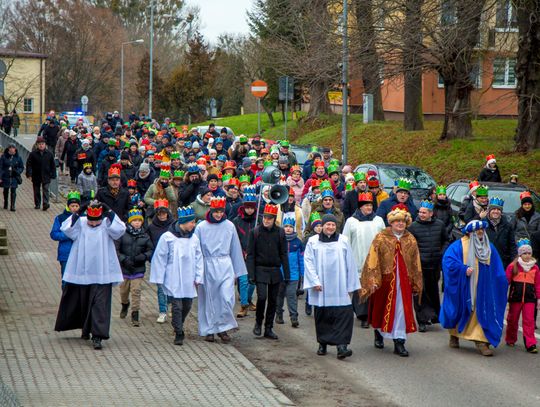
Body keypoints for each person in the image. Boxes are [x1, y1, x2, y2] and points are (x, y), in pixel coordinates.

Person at [54, 201, 126, 350]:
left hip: (102, 272)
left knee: (100, 304)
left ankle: (98, 336)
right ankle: (86, 329)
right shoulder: (81, 222)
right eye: (91, 222)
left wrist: (110, 211)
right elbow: (66, 229)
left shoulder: (107, 223)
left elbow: (120, 230)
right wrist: (78, 212)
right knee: (84, 302)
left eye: (96, 221)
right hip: (83, 271)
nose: (93, 224)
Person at [360, 204, 423, 357]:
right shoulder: (381, 237)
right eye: (397, 221)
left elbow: (416, 262)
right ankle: (379, 333)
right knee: (381, 308)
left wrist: (415, 281)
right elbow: (372, 259)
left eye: (402, 221)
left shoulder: (410, 239)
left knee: (401, 310)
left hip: (404, 283)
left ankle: (399, 341)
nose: (400, 224)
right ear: (391, 222)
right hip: (385, 281)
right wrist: (374, 279)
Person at [440, 220, 508, 356]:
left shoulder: (489, 247)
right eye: (477, 230)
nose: (480, 233)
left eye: (482, 230)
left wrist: (501, 282)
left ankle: (481, 340)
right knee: (460, 309)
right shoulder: (459, 246)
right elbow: (448, 262)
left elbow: (497, 268)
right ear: (470, 232)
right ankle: (454, 334)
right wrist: (462, 269)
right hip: (465, 287)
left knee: (481, 311)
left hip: (484, 288)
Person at [304, 214, 359, 359]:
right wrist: (314, 281)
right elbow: (308, 262)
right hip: (321, 285)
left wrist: (351, 285)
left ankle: (342, 346)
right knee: (323, 315)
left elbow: (350, 263)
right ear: (322, 226)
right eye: (328, 224)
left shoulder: (343, 241)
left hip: (340, 285)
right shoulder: (313, 241)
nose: (330, 227)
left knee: (344, 314)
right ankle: (323, 343)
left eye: (333, 225)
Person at [194, 197, 247, 343]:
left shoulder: (229, 226)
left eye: (221, 211)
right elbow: (197, 250)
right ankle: (210, 329)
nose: (218, 215)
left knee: (226, 297)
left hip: (225, 264)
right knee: (209, 299)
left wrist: (238, 271)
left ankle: (223, 327)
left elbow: (235, 247)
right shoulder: (201, 227)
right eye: (216, 211)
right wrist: (197, 272)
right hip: (208, 264)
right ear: (211, 210)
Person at [150, 206, 203, 345]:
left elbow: (199, 258)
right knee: (177, 306)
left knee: (187, 305)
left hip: (189, 277)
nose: (194, 225)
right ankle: (179, 332)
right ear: (183, 222)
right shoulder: (168, 237)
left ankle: (179, 322)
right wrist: (159, 278)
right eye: (192, 222)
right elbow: (160, 258)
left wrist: (198, 276)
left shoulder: (194, 238)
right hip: (173, 277)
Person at [247, 203, 290, 340]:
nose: (266, 220)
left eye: (269, 218)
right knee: (262, 297)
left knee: (273, 300)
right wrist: (251, 274)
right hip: (260, 269)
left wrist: (287, 273)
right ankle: (258, 323)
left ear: (274, 219)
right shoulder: (255, 232)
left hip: (275, 270)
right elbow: (251, 255)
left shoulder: (280, 232)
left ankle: (269, 327)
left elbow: (283, 253)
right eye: (265, 218)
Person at [342, 192, 386, 328]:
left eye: (370, 205)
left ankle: (373, 312)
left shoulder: (378, 220)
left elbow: (384, 239)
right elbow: (345, 241)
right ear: (360, 207)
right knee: (360, 288)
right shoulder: (351, 221)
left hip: (375, 259)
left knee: (373, 286)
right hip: (358, 258)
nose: (369, 208)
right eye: (366, 205)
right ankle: (363, 315)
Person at [408, 200, 449, 332]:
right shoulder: (413, 227)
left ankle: (433, 315)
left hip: (435, 264)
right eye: (420, 212)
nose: (421, 214)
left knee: (432, 291)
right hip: (420, 266)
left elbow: (446, 240)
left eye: (424, 212)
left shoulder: (440, 225)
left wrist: (441, 252)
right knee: (420, 292)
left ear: (431, 213)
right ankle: (422, 320)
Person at [116, 209, 154, 327]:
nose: (137, 223)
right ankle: (125, 304)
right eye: (135, 221)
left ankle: (135, 313)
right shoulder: (122, 234)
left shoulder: (145, 235)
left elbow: (150, 250)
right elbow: (116, 250)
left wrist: (143, 257)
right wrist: (123, 259)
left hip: (138, 268)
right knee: (123, 291)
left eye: (139, 221)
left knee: (136, 291)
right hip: (125, 268)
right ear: (130, 221)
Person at [505, 239, 540, 353]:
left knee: (529, 321)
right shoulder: (513, 266)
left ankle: (531, 344)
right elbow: (506, 281)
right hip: (516, 298)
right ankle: (510, 338)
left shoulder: (535, 268)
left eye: (529, 253)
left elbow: (538, 284)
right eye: (524, 253)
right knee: (513, 319)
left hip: (530, 299)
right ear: (520, 254)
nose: (527, 255)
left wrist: (538, 298)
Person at [147, 199, 175, 323]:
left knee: (171, 285)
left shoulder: (173, 225)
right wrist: (151, 255)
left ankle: (170, 304)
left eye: (164, 213)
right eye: (160, 213)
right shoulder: (151, 227)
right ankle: (162, 311)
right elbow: (148, 243)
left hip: (172, 260)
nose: (162, 215)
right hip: (157, 260)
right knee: (160, 287)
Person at [232, 191, 258, 318]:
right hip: (240, 254)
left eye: (252, 208)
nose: (249, 210)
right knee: (243, 280)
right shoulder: (236, 221)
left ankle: (248, 299)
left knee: (252, 281)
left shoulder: (258, 220)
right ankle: (243, 305)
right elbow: (234, 239)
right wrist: (242, 252)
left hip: (255, 255)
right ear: (243, 207)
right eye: (247, 207)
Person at [275, 217, 304, 328]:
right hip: (280, 273)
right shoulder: (278, 239)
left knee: (291, 295)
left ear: (294, 228)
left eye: (290, 227)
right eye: (286, 226)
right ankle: (279, 314)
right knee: (279, 295)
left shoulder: (298, 242)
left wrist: (302, 273)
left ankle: (294, 317)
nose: (288, 229)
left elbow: (301, 259)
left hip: (293, 274)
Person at [50, 191, 80, 286]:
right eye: (72, 206)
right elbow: (54, 234)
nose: (74, 208)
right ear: (68, 206)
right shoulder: (60, 218)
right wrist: (68, 235)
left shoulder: (83, 218)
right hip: (65, 254)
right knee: (66, 280)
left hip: (80, 254)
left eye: (76, 206)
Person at [26, 136, 56, 211]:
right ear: (37, 145)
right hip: (36, 175)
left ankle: (45, 203)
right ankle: (37, 203)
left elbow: (53, 165)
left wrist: (53, 173)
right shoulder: (33, 154)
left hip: (46, 175)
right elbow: (29, 164)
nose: (41, 145)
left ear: (45, 145)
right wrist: (29, 174)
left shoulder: (49, 153)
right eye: (39, 144)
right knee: (36, 190)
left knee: (46, 189)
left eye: (42, 144)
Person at [485, 197, 516, 268]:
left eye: (498, 209)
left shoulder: (507, 225)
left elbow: (512, 245)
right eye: (493, 209)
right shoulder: (482, 224)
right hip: (486, 261)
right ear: (489, 210)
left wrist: (513, 262)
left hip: (502, 262)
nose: (496, 211)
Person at [0, 144, 24, 211]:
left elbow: (21, 167)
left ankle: (12, 205)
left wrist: (18, 171)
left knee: (13, 191)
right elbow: (1, 167)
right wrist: (0, 177)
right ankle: (6, 203)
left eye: (13, 148)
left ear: (15, 149)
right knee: (6, 190)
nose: (11, 149)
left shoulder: (18, 158)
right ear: (8, 149)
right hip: (6, 177)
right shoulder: (3, 157)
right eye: (10, 148)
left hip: (14, 177)